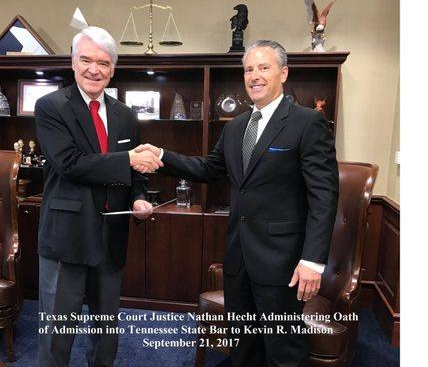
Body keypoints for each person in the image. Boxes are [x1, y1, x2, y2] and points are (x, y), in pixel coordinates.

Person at [137, 40, 339, 366]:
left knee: (283, 351)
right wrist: (162, 156)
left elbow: (324, 195)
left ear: (283, 73)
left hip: (282, 264)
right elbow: (209, 169)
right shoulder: (236, 127)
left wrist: (313, 261)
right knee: (243, 348)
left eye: (264, 67)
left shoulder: (307, 122)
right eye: (248, 69)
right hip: (238, 259)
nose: (254, 76)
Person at [34, 26, 163, 367]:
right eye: (86, 59)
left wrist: (138, 199)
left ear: (113, 69)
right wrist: (129, 159)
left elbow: (134, 175)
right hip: (66, 239)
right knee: (57, 334)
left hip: (111, 239)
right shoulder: (50, 107)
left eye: (104, 62)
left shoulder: (125, 115)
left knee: (106, 331)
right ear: (72, 62)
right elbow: (70, 164)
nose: (95, 69)